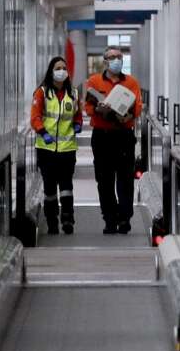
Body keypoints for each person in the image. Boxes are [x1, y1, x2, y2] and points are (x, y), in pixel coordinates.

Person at [84, 47, 143, 234]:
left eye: (119, 57)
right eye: (112, 57)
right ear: (105, 61)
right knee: (104, 180)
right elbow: (87, 106)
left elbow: (137, 106)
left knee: (125, 179)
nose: (116, 60)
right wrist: (99, 109)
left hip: (124, 136)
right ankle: (109, 218)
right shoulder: (94, 81)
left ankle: (124, 218)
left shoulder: (131, 82)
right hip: (102, 136)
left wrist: (129, 116)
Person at [30, 56, 83, 234]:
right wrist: (43, 132)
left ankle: (68, 219)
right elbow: (35, 117)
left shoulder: (73, 93)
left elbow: (78, 114)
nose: (62, 71)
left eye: (64, 68)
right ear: (51, 71)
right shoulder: (42, 93)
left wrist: (78, 124)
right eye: (58, 68)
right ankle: (52, 220)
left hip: (67, 149)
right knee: (50, 188)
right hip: (46, 149)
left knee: (67, 186)